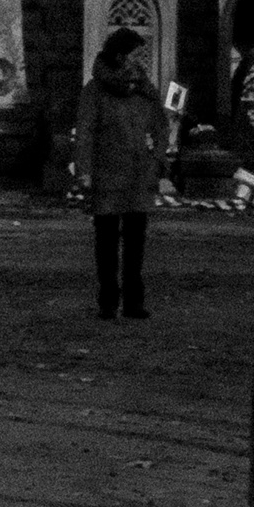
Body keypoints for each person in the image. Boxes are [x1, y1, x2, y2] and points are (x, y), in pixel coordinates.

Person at [75, 28, 172, 321]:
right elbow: (85, 133)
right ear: (119, 56)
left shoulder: (143, 89)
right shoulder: (95, 91)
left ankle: (133, 302)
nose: (139, 60)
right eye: (134, 54)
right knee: (106, 242)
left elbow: (161, 125)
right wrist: (84, 171)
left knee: (135, 243)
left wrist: (157, 158)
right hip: (106, 174)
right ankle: (108, 301)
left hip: (138, 175)